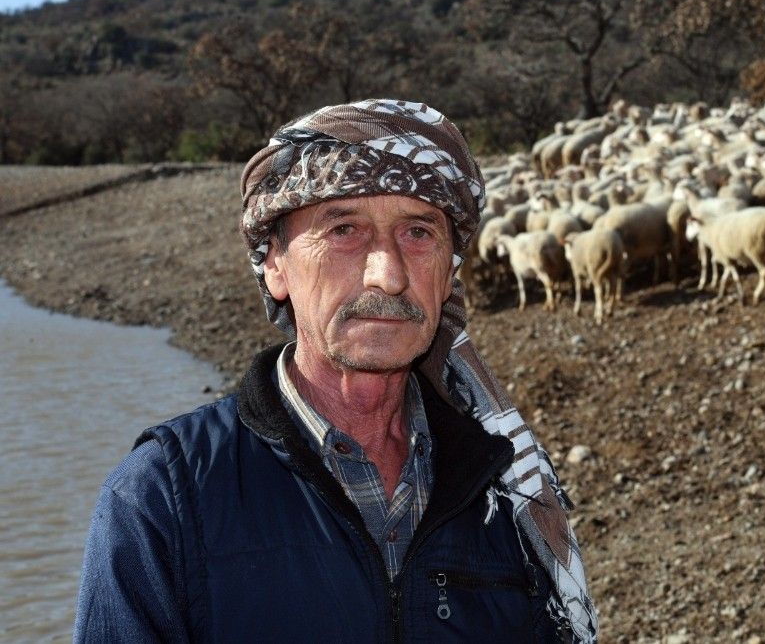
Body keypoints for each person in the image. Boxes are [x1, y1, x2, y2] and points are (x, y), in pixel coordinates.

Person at [74, 99, 598, 643]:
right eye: (344, 229)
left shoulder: (508, 490)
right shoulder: (164, 497)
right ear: (275, 265)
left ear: (449, 274)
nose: (388, 275)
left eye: (419, 233)